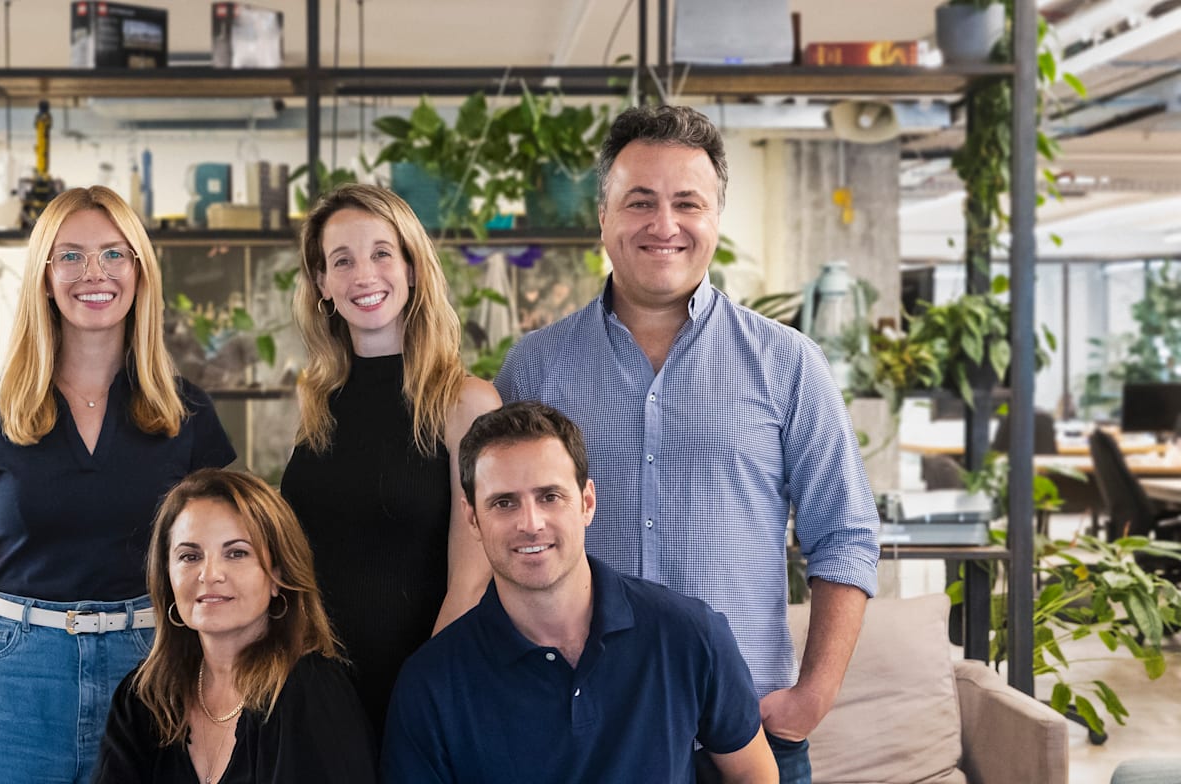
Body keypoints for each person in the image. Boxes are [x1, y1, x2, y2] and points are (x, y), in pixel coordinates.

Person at [494, 105, 880, 783]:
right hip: (582, 733)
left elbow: (844, 533)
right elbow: (495, 536)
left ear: (715, 219)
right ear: (604, 218)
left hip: (745, 734)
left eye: (687, 203)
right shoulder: (535, 369)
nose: (663, 225)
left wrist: (813, 696)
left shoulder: (787, 364)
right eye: (639, 201)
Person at [0, 186, 237, 784]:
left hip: (152, 666)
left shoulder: (189, 414)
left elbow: (221, 570)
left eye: (113, 254)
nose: (93, 273)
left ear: (139, 272)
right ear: (44, 277)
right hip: (18, 675)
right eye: (70, 256)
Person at [382, 402, 777, 783]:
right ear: (472, 518)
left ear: (587, 502)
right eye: (504, 503)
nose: (530, 523)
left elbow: (752, 773)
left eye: (549, 496)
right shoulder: (430, 685)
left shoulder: (689, 635)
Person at [279, 184, 501, 730]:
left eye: (381, 253)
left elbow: (470, 583)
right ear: (322, 285)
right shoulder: (317, 402)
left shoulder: (465, 403)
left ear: (412, 269)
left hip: (423, 689)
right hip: (317, 688)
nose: (364, 275)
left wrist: (421, 694)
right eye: (342, 260)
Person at [97, 469, 377, 784]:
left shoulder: (310, 693)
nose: (209, 574)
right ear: (167, 579)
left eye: (236, 553)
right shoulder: (142, 699)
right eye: (190, 556)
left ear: (277, 576)